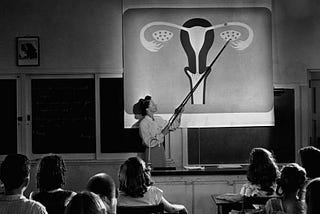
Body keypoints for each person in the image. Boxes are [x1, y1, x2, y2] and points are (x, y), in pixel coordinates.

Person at [117, 156, 188, 214]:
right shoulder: (154, 193)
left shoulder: (117, 196)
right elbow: (172, 209)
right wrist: (182, 207)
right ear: (144, 175)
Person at [138, 95, 183, 168]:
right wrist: (162, 134)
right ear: (147, 108)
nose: (155, 105)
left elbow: (172, 126)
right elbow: (148, 142)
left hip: (161, 150)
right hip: (151, 152)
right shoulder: (143, 123)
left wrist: (178, 114)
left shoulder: (158, 119)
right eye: (152, 104)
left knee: (162, 173)